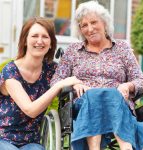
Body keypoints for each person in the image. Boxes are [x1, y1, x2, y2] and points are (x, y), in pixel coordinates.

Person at [50, 1, 143, 150]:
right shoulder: (73, 51)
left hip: (118, 106)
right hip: (84, 105)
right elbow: (55, 81)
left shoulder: (122, 48)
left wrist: (127, 85)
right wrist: (73, 83)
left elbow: (141, 81)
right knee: (93, 95)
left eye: (94, 22)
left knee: (112, 94)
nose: (89, 29)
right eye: (84, 25)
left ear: (104, 23)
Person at [0, 17, 82, 150]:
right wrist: (57, 86)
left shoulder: (52, 70)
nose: (40, 41)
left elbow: (70, 80)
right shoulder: (10, 71)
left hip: (32, 141)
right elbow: (30, 110)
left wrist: (76, 84)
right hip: (3, 138)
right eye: (34, 36)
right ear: (25, 40)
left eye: (45, 36)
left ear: (51, 44)